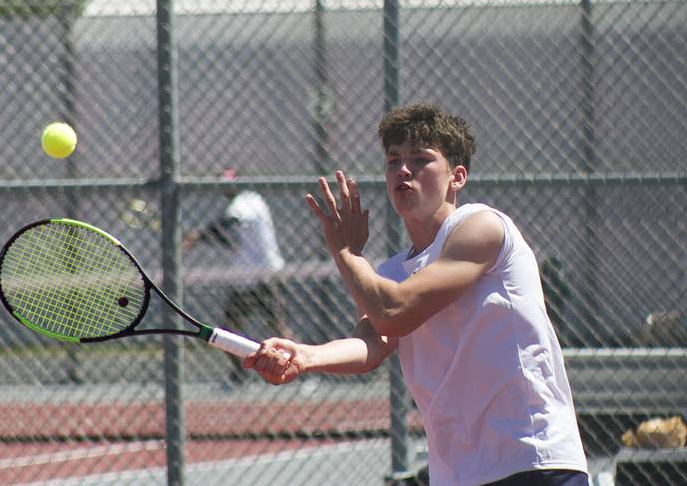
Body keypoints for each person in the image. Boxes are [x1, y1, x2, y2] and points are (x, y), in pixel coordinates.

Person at [244, 103, 589, 485]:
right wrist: (304, 356)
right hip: (457, 475)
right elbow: (372, 342)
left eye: (420, 159)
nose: (403, 170)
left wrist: (345, 252)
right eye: (393, 161)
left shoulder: (483, 227)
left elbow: (395, 311)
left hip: (533, 460)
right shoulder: (394, 272)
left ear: (457, 177)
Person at [184, 168, 293, 384]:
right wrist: (201, 238)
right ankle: (239, 374)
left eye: (230, 183)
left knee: (277, 327)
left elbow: (226, 225)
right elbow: (232, 240)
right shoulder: (251, 202)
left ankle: (297, 372)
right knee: (228, 328)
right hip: (246, 278)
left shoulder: (246, 202)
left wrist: (198, 236)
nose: (227, 188)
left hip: (263, 277)